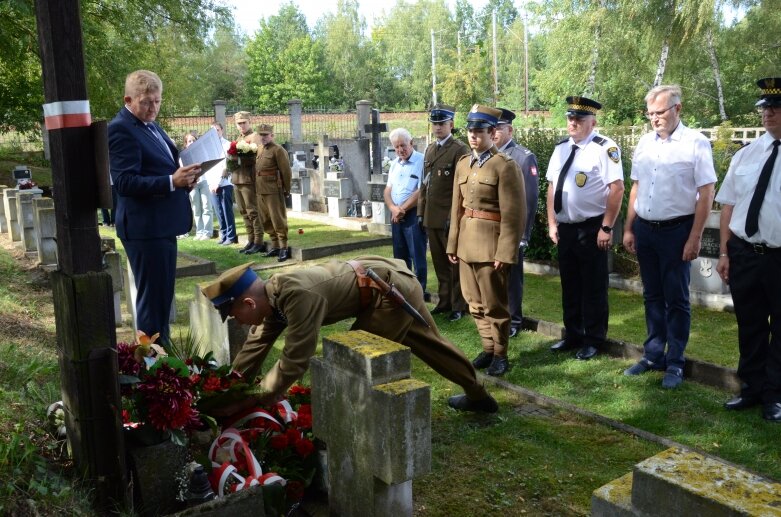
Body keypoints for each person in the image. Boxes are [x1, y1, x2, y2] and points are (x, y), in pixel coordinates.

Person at [200, 257, 499, 414]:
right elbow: (256, 345)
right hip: (380, 282)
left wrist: (251, 400)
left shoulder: (297, 297)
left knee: (348, 361)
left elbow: (294, 361)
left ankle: (350, 421)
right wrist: (228, 390)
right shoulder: (273, 295)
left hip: (389, 292)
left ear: (249, 303)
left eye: (235, 315)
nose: (237, 322)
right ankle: (479, 395)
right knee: (430, 344)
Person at [623, 85, 716, 389]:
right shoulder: (644, 143)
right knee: (652, 295)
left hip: (677, 230)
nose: (655, 119)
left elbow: (706, 193)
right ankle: (652, 355)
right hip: (646, 229)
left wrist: (695, 237)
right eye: (650, 113)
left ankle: (675, 361)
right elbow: (636, 187)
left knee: (676, 299)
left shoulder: (695, 143)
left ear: (678, 109)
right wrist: (628, 227)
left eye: (660, 112)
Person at [108, 70, 200, 342]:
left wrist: (184, 180)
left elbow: (163, 168)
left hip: (161, 224)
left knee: (161, 298)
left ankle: (161, 363)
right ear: (129, 99)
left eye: (157, 101)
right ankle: (152, 370)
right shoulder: (120, 128)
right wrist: (171, 181)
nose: (153, 108)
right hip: (144, 227)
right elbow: (124, 182)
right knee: (152, 302)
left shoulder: (152, 126)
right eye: (146, 102)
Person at [715, 78, 781, 422]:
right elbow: (727, 205)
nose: (767, 113)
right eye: (764, 108)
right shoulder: (747, 153)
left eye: (774, 107)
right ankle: (751, 388)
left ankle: (775, 394)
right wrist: (725, 252)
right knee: (750, 324)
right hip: (744, 252)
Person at [446, 105, 525, 377]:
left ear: (493, 132)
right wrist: (452, 244)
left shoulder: (505, 166)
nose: (473, 136)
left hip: (491, 247)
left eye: (479, 131)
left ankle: (501, 354)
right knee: (473, 303)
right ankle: (488, 348)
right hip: (466, 244)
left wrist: (505, 251)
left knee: (495, 305)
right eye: (470, 131)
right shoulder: (462, 164)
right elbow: (456, 208)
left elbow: (514, 214)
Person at [546, 97, 624, 362]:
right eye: (570, 118)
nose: (573, 123)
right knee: (570, 284)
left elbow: (617, 188)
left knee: (593, 287)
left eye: (579, 119)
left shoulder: (605, 148)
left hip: (592, 228)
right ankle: (573, 334)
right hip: (566, 228)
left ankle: (593, 339)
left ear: (593, 122)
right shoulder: (561, 148)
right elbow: (551, 188)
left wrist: (606, 226)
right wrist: (552, 222)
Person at [417, 104, 470, 322]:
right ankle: (445, 300)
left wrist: (454, 216)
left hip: (449, 218)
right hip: (432, 217)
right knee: (439, 262)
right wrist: (421, 212)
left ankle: (459, 304)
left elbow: (461, 187)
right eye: (435, 124)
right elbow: (424, 185)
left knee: (454, 264)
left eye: (442, 123)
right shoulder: (430, 150)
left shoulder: (460, 149)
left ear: (451, 124)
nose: (438, 127)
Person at [494, 107, 540, 338]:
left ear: (510, 130)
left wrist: (523, 235)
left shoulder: (522, 157)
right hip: (491, 229)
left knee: (511, 278)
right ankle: (496, 315)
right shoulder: (487, 155)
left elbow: (529, 199)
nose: (493, 133)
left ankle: (514, 320)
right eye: (491, 128)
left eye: (499, 128)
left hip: (512, 230)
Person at [384, 128, 428, 294]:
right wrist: (393, 208)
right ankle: (403, 289)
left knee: (417, 255)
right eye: (396, 147)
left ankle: (419, 291)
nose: (400, 150)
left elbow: (420, 191)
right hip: (396, 216)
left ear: (411, 143)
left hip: (412, 215)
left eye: (403, 145)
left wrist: (401, 209)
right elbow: (388, 190)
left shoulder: (422, 161)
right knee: (399, 256)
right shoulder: (394, 164)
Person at [255, 124, 292, 262]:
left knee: (278, 219)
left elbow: (286, 171)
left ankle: (284, 248)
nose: (263, 137)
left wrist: (286, 189)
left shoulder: (278, 150)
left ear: (272, 135)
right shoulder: (259, 149)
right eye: (261, 135)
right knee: (265, 219)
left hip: (273, 190)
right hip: (260, 189)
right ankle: (275, 246)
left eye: (266, 135)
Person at [231, 112, 264, 255]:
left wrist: (238, 158)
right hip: (237, 179)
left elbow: (258, 158)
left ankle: (258, 241)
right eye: (239, 123)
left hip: (248, 180)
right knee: (244, 212)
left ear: (249, 122)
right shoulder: (239, 138)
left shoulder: (254, 137)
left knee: (253, 211)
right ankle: (250, 240)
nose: (242, 125)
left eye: (244, 122)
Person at [206, 122, 238, 246]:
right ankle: (223, 234)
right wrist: (210, 184)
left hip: (224, 183)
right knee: (218, 211)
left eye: (217, 130)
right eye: (212, 131)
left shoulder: (227, 145)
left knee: (226, 210)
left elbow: (226, 166)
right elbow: (208, 166)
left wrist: (218, 183)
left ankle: (231, 235)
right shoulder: (208, 146)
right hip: (212, 184)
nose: (216, 133)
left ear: (222, 131)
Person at [184, 131, 214, 241]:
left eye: (193, 140)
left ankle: (207, 232)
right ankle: (199, 231)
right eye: (189, 141)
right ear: (186, 144)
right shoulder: (184, 156)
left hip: (204, 182)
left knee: (206, 207)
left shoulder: (202, 153)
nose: (191, 142)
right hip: (192, 184)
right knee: (196, 208)